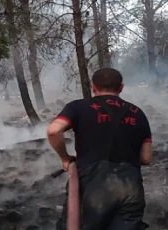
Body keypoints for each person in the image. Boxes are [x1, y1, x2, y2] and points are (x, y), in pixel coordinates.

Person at [47, 68, 153, 230]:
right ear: (121, 87)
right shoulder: (138, 113)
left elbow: (54, 131)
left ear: (93, 87)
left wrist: (65, 158)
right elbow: (146, 158)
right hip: (131, 185)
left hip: (92, 185)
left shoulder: (78, 107)